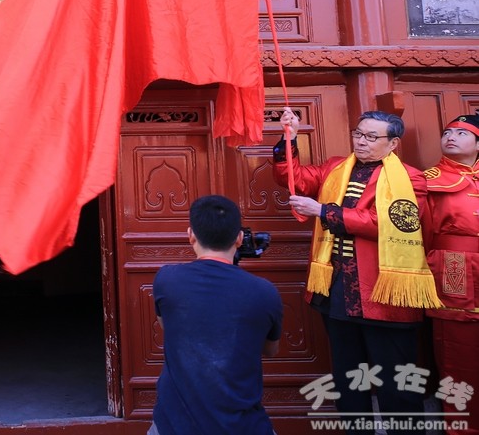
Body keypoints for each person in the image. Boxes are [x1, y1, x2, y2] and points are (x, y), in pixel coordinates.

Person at [274, 109, 440, 433]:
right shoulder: (335, 167)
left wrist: (324, 211)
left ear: (393, 143)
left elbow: (391, 223)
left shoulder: (411, 178)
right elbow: (292, 178)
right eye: (358, 134)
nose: (362, 141)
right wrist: (289, 137)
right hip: (338, 291)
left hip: (385, 293)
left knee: (397, 382)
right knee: (349, 379)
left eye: (371, 137)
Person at [149, 194, 282, 435]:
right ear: (239, 238)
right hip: (244, 427)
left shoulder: (166, 280)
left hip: (174, 426)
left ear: (191, 235)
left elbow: (168, 327)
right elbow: (270, 349)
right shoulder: (264, 292)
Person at [423, 113, 479, 434]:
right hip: (454, 267)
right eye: (446, 132)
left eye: (461, 133)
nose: (451, 137)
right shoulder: (428, 180)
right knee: (458, 352)